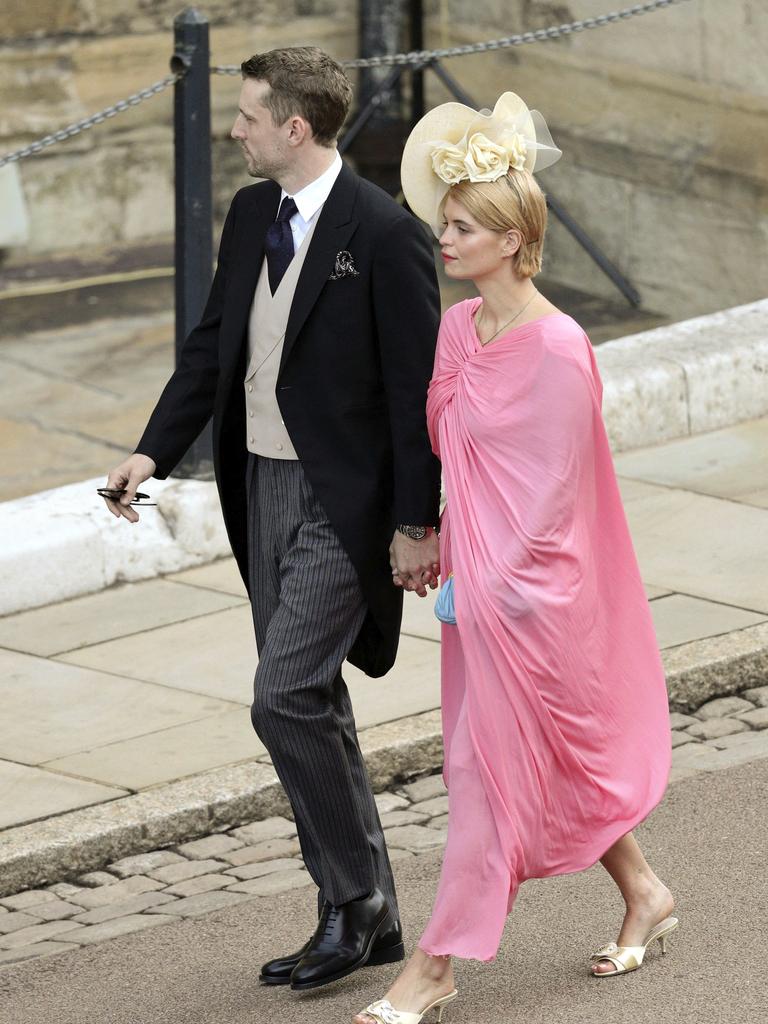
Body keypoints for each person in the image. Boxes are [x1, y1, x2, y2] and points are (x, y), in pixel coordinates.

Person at [102, 46, 444, 992]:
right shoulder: (254, 212)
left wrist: (418, 521)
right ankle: (368, 909)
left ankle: (352, 904)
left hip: (346, 504)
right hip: (262, 488)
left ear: (295, 127)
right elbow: (215, 343)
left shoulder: (385, 233)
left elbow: (419, 393)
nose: (235, 128)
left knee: (282, 694)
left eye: (248, 115)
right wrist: (151, 451)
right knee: (313, 700)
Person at [355, 93, 676, 1024]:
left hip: (535, 600)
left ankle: (436, 965)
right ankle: (646, 890)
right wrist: (439, 549)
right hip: (475, 588)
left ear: (511, 239)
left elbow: (554, 498)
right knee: (530, 760)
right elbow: (463, 466)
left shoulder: (561, 349)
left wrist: (489, 583)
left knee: (477, 772)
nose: (443, 239)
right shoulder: (458, 330)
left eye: (461, 227)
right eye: (445, 223)